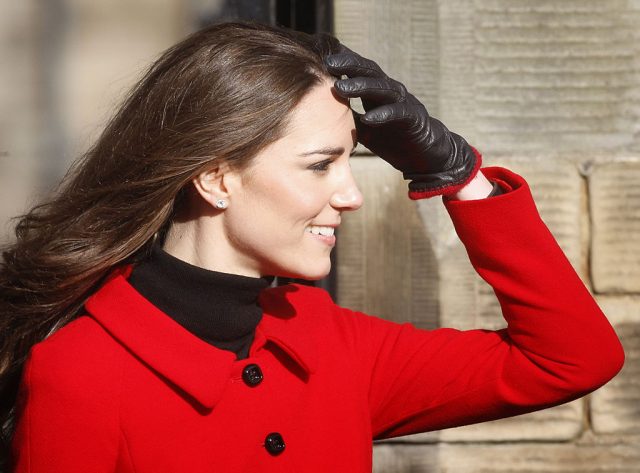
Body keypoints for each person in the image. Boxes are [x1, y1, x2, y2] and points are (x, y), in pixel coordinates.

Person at [0, 21, 624, 472]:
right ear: (216, 177)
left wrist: (458, 174)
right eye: (321, 165)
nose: (351, 195)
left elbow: (572, 360)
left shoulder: (328, 343)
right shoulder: (82, 373)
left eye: (347, 162)